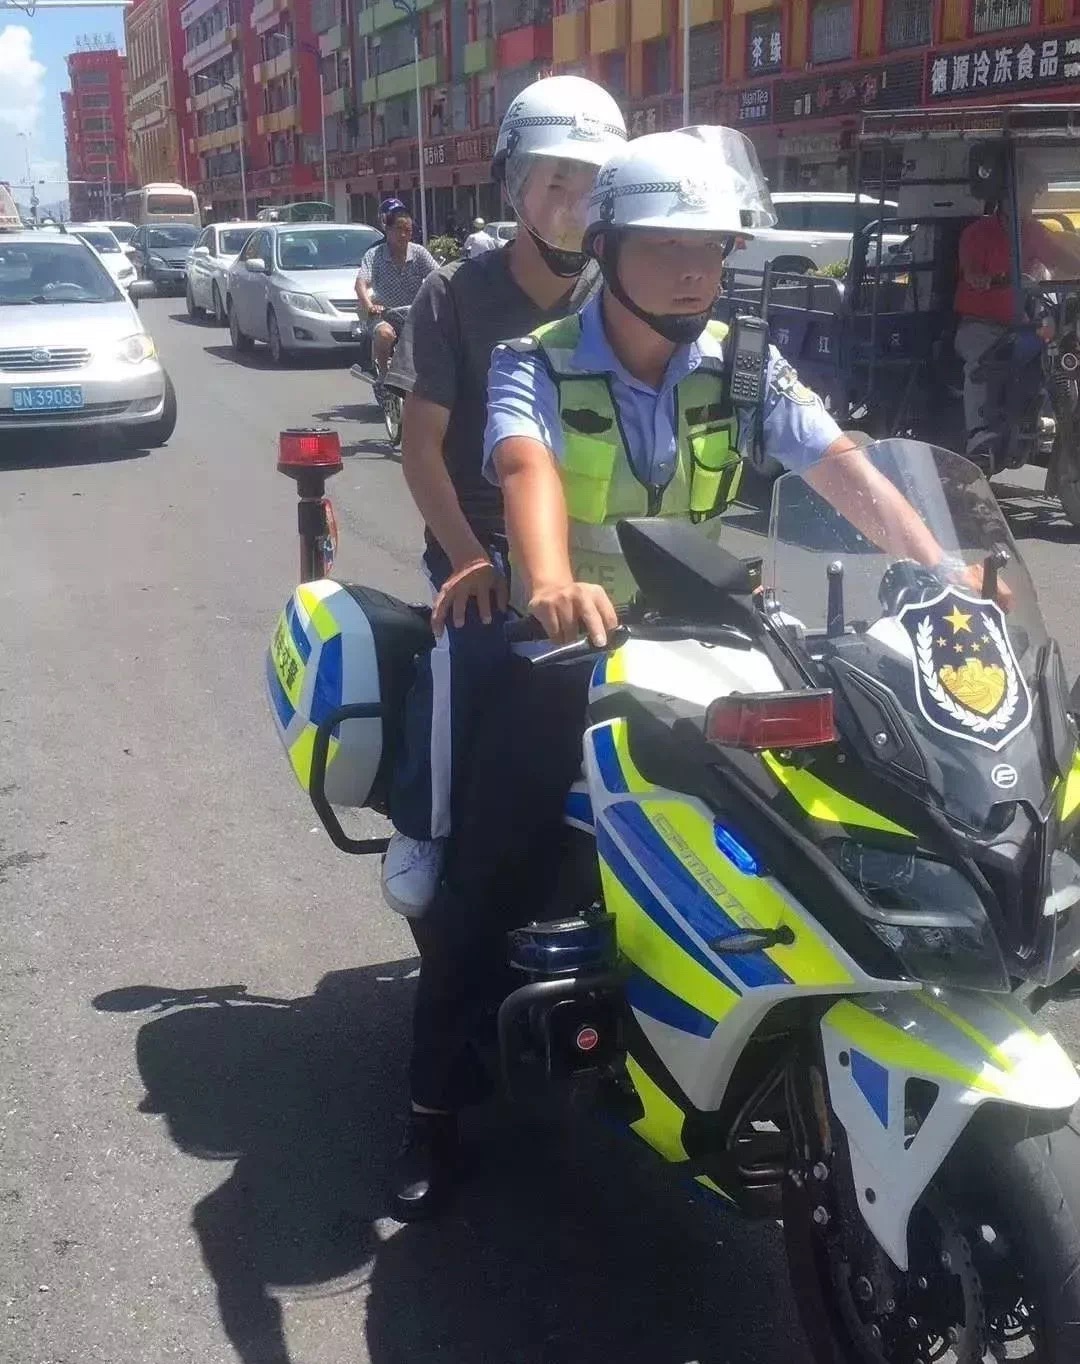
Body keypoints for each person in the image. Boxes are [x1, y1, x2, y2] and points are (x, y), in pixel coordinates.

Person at [394, 126, 996, 1219]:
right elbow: (525, 464)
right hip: (566, 646)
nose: (694, 272)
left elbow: (841, 462)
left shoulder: (745, 364)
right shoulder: (535, 359)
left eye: (712, 249)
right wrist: (550, 578)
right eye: (668, 245)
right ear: (609, 249)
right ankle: (435, 1101)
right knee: (490, 863)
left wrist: (940, 567)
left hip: (707, 639)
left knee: (844, 796)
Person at [380, 75, 627, 1217]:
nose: (574, 201)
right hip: (487, 573)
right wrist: (472, 557)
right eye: (555, 180)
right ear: (516, 186)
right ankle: (434, 1099)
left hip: (606, 582)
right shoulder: (458, 293)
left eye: (592, 182)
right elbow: (422, 446)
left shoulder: (628, 286)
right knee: (475, 844)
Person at [955, 170, 1080, 463]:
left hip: (1023, 325)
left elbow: (1063, 260)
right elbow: (971, 270)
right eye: (1027, 194)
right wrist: (982, 278)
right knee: (980, 363)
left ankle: (1052, 418)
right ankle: (978, 436)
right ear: (1006, 196)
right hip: (979, 324)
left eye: (1034, 195)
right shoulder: (977, 233)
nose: (1031, 201)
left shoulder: (1033, 231)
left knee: (1060, 353)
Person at [354, 207, 438, 379]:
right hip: (383, 315)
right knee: (384, 334)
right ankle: (383, 376)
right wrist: (370, 306)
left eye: (408, 230)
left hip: (414, 315)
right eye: (399, 229)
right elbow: (360, 284)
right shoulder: (374, 255)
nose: (403, 235)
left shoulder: (419, 253)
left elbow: (438, 277)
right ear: (388, 230)